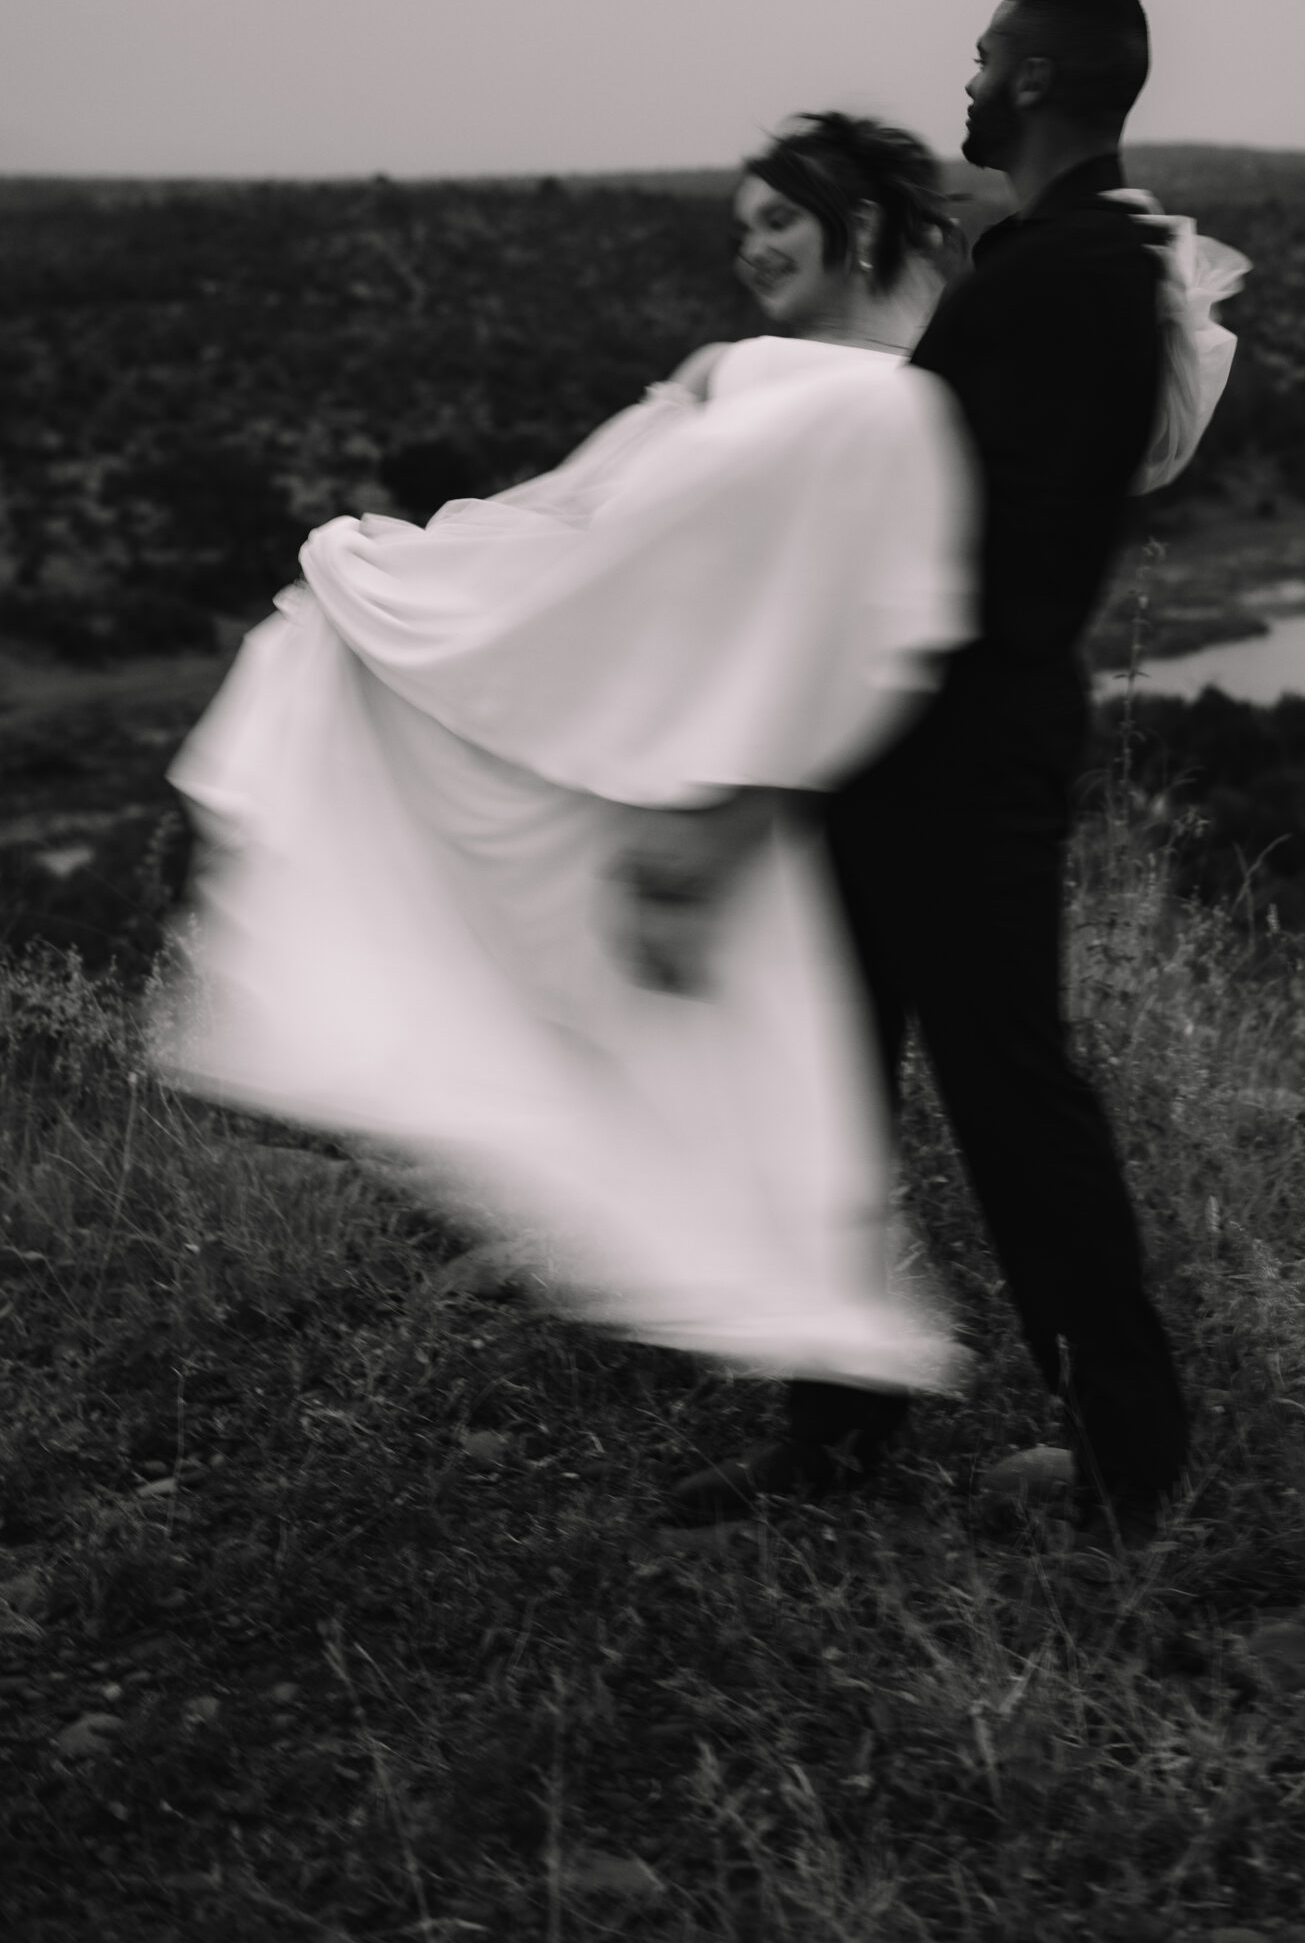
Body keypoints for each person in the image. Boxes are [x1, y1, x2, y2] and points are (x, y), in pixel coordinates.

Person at [152, 114, 978, 1393]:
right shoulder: (742, 374)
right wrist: (420, 581)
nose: (753, 249)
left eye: (780, 221)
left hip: (781, 779)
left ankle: (907, 1383)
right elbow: (587, 518)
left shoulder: (897, 402)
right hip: (670, 734)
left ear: (858, 228)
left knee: (807, 1069)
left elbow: (867, 627)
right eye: (741, 228)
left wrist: (726, 800)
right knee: (751, 1051)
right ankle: (815, 1386)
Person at [665, 0, 1248, 1542]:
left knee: (1007, 1094)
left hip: (961, 749)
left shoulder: (1068, 271)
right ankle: (835, 1438)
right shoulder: (1074, 258)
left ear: (1044, 75)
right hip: (916, 740)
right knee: (831, 1077)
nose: (969, 83)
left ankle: (1129, 1460)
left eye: (987, 58)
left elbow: (976, 537)